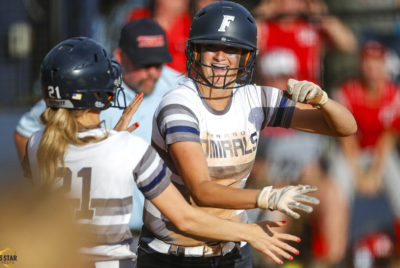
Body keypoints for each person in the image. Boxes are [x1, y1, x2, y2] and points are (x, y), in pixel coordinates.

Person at [24, 36, 303, 267]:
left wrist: (113, 138)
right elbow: (184, 217)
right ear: (94, 93)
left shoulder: (36, 144)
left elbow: (83, 166)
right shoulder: (130, 149)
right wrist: (249, 232)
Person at [136, 2, 357, 268]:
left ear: (246, 56)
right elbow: (202, 190)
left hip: (233, 251)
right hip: (174, 253)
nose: (221, 57)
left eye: (232, 49)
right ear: (195, 51)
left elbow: (345, 127)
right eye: (211, 47)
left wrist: (323, 101)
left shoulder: (254, 98)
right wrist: (266, 197)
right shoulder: (179, 104)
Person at [13, 18, 181, 236]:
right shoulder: (90, 80)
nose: (153, 73)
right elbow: (184, 217)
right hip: (116, 240)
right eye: (144, 64)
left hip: (81, 239)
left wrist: (110, 144)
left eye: (158, 64)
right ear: (120, 57)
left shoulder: (37, 140)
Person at [250, 48, 350, 267]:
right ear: (264, 79)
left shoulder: (307, 109)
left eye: (285, 76)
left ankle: (329, 262)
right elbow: (253, 170)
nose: (280, 82)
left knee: (332, 194)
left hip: (305, 183)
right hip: (271, 186)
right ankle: (270, 262)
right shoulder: (252, 113)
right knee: (276, 205)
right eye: (274, 76)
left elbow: (316, 167)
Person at [330, 40, 400, 252]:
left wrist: (375, 174)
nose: (372, 68)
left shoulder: (394, 93)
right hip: (349, 152)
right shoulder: (345, 91)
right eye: (368, 62)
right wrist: (359, 175)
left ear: (385, 65)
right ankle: (334, 252)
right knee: (337, 193)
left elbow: (388, 138)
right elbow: (345, 138)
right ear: (360, 64)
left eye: (377, 62)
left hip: (380, 154)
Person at [255, 0, 357, 84]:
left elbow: (348, 45)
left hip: (308, 99)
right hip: (271, 98)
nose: (289, 2)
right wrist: (261, 13)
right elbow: (246, 41)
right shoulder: (265, 27)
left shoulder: (313, 27)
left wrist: (322, 15)